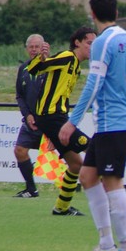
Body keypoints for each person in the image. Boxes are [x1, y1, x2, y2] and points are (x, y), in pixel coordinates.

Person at [62, 0, 126, 251]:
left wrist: (72, 121)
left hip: (113, 123)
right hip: (114, 124)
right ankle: (106, 246)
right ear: (117, 12)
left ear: (92, 13)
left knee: (113, 182)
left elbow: (94, 83)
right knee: (88, 176)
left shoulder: (101, 42)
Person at [26, 26, 97, 216]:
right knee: (95, 149)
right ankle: (114, 203)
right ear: (77, 42)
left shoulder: (76, 66)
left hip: (56, 120)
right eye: (89, 43)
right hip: (51, 118)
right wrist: (42, 58)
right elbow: (34, 69)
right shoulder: (67, 57)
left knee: (76, 165)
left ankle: (61, 208)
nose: (93, 47)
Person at [12, 34, 48, 199]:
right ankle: (31, 189)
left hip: (49, 121)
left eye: (37, 46)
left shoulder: (50, 66)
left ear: (43, 47)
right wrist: (27, 115)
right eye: (31, 47)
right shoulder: (23, 68)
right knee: (20, 151)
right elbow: (19, 95)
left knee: (68, 155)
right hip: (30, 121)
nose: (34, 50)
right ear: (27, 49)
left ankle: (81, 185)